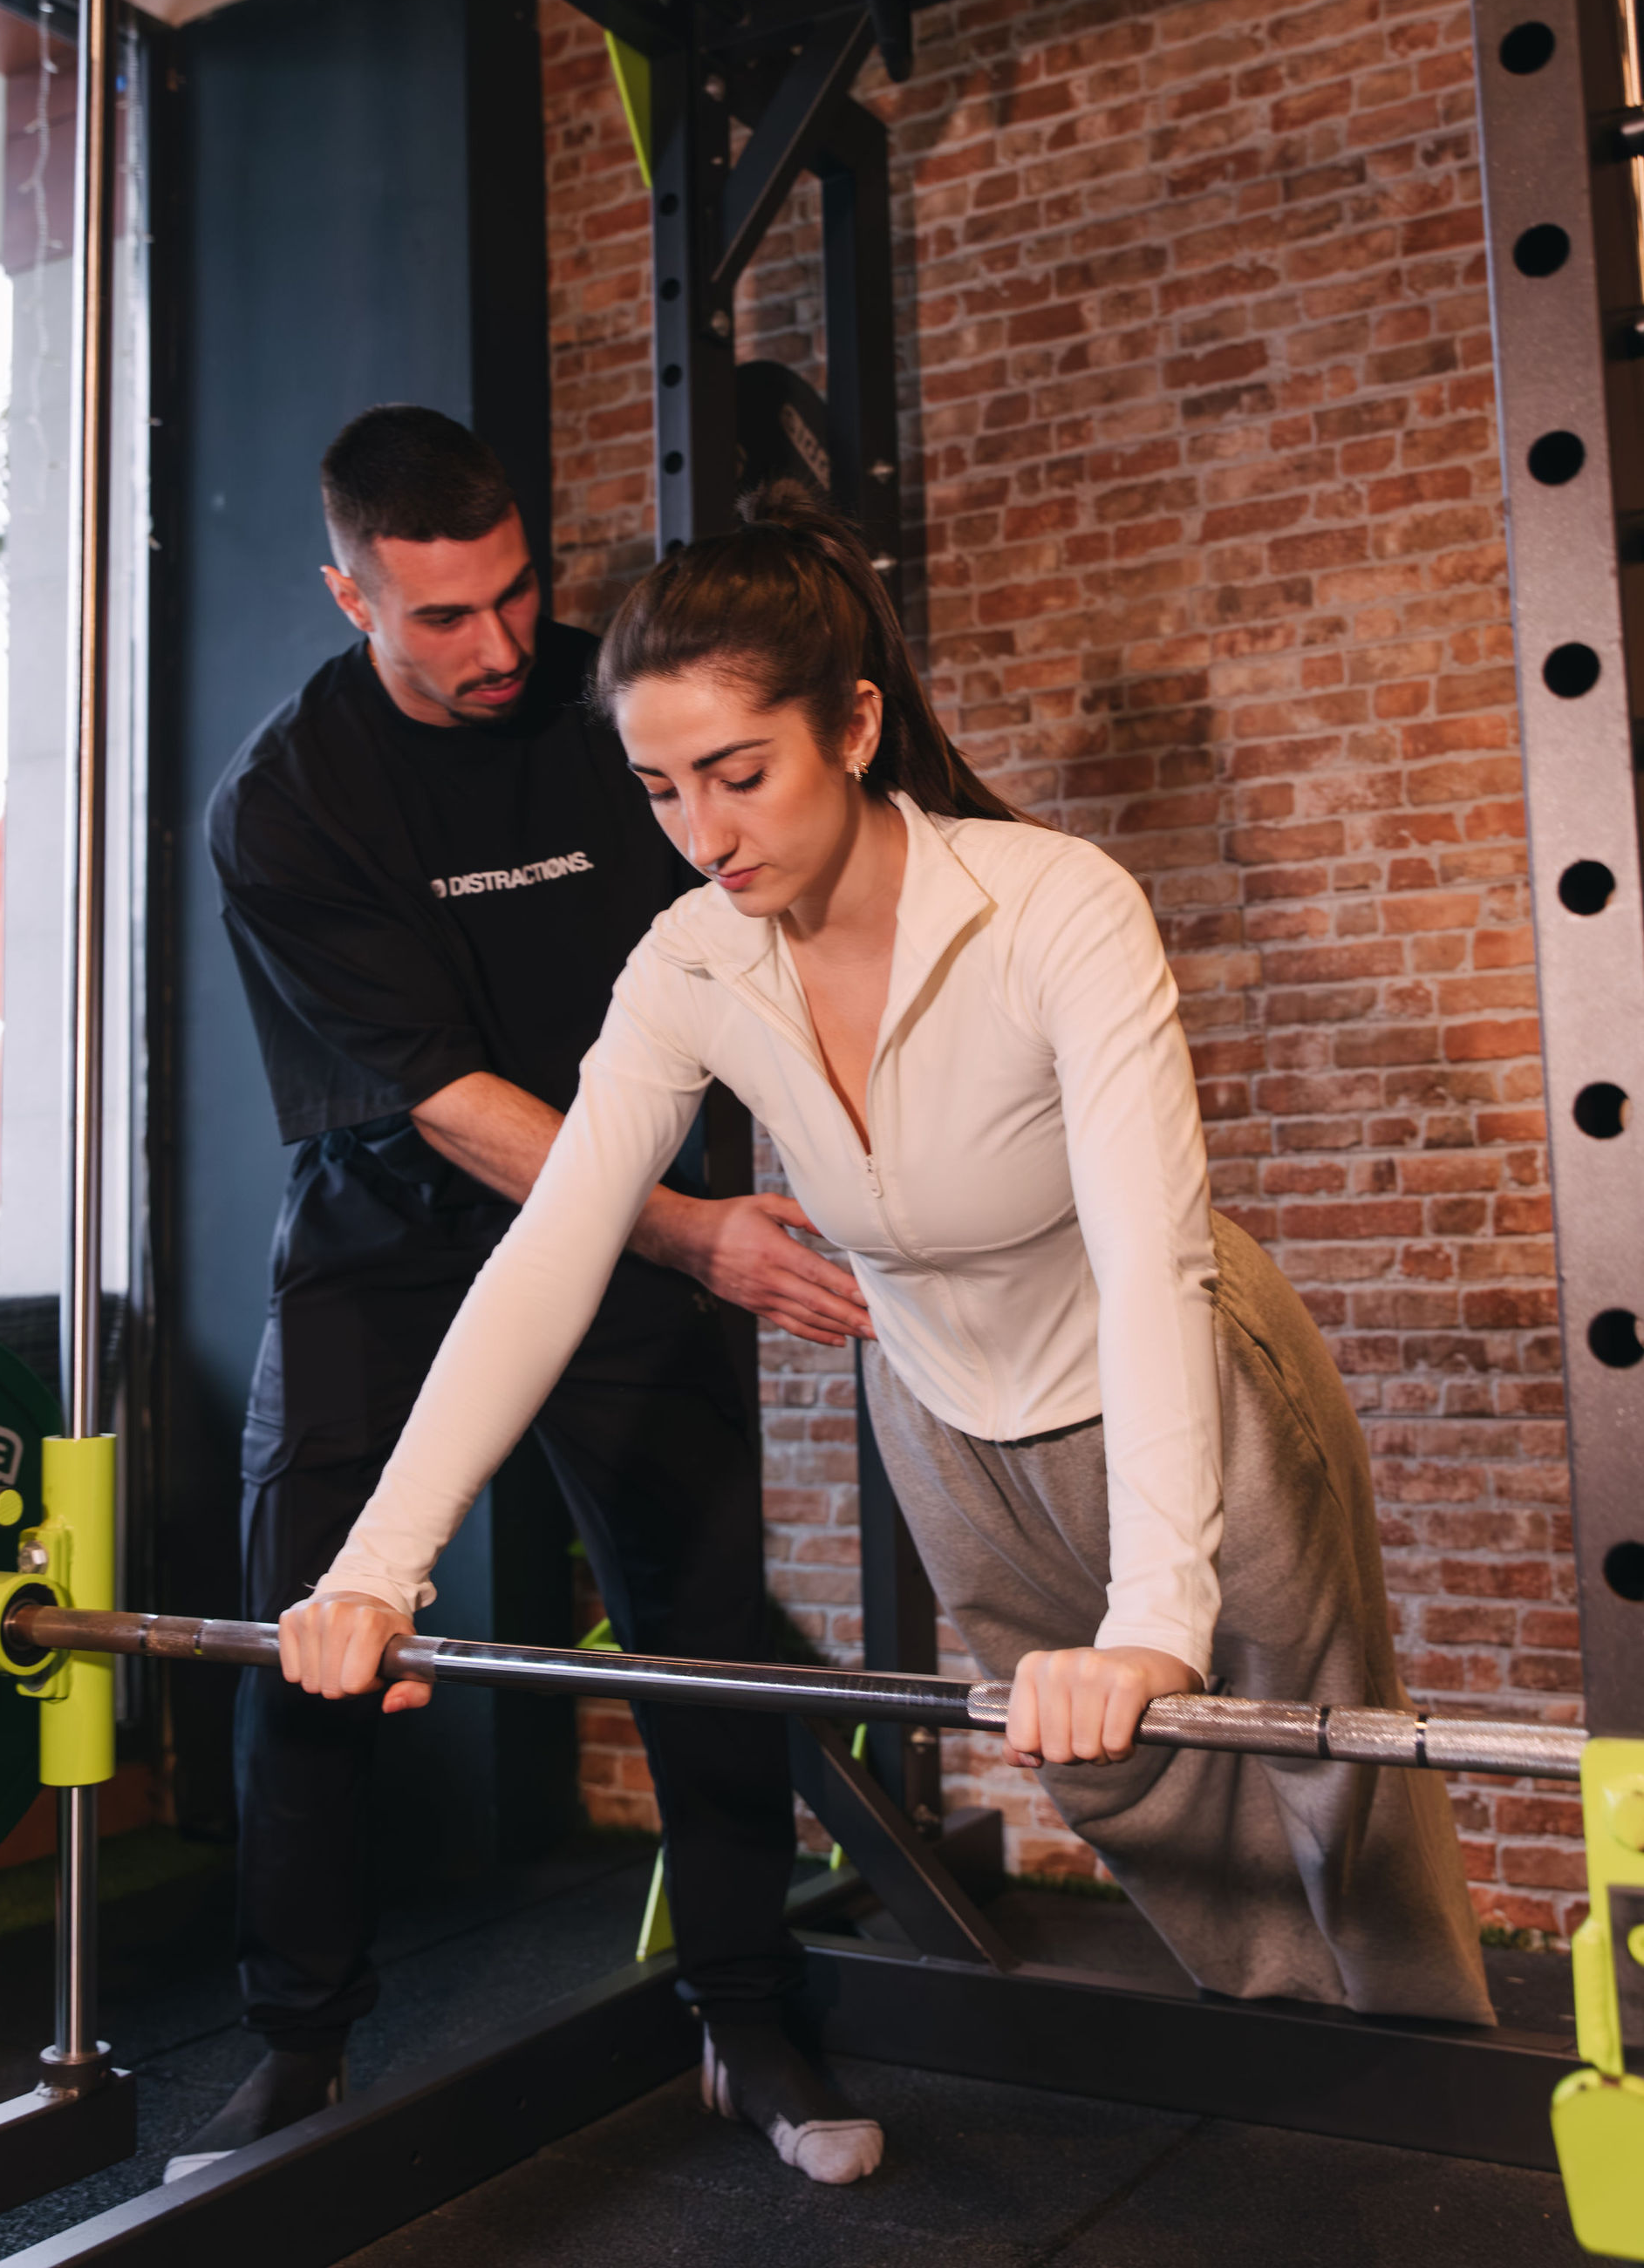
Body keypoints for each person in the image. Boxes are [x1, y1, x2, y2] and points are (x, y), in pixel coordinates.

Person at [283, 478, 1494, 2066]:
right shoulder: (690, 962)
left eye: (737, 775)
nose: (702, 838)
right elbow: (552, 1253)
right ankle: (1297, 2070)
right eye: (657, 791)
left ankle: (1446, 2085)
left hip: (1177, 1363)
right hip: (940, 1406)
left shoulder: (1057, 907)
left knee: (1329, 1761)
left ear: (852, 727)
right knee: (1123, 1772)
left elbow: (1147, 1259)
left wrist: (1155, 1611)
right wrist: (378, 1563)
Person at [169, 413, 883, 2187]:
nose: (495, 648)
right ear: (348, 595)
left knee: (699, 1625)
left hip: (642, 1222)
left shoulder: (614, 702)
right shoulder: (283, 803)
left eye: (514, 595)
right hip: (390, 1237)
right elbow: (444, 1099)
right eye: (438, 620)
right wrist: (695, 1232)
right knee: (313, 1628)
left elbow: (776, 912)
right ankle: (299, 2052)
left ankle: (743, 2019)